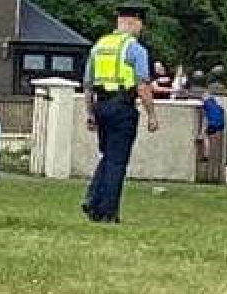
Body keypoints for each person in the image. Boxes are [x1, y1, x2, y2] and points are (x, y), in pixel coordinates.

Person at [81, 1, 159, 224]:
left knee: (107, 156)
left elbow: (87, 84)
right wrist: (151, 114)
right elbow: (143, 85)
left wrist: (90, 114)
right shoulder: (135, 48)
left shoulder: (100, 45)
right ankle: (107, 211)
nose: (141, 29)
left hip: (101, 105)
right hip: (122, 106)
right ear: (134, 22)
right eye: (140, 24)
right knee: (117, 161)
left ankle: (93, 200)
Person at [199, 91, 225, 162]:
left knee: (205, 136)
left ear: (205, 97)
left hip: (212, 124)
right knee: (211, 137)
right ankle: (213, 155)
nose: (202, 99)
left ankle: (206, 155)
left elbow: (205, 119)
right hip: (219, 125)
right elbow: (222, 111)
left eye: (202, 98)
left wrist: (201, 134)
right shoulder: (216, 104)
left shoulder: (206, 104)